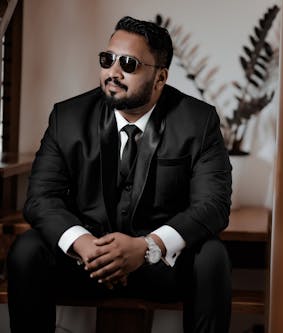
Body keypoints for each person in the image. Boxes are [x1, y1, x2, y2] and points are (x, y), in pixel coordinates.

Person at [7, 16, 232, 333]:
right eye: (107, 59)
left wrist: (147, 247)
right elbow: (41, 199)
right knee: (27, 249)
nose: (113, 72)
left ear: (160, 78)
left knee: (212, 257)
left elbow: (213, 206)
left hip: (158, 266)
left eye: (129, 63)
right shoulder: (67, 117)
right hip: (86, 263)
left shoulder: (198, 121)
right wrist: (84, 245)